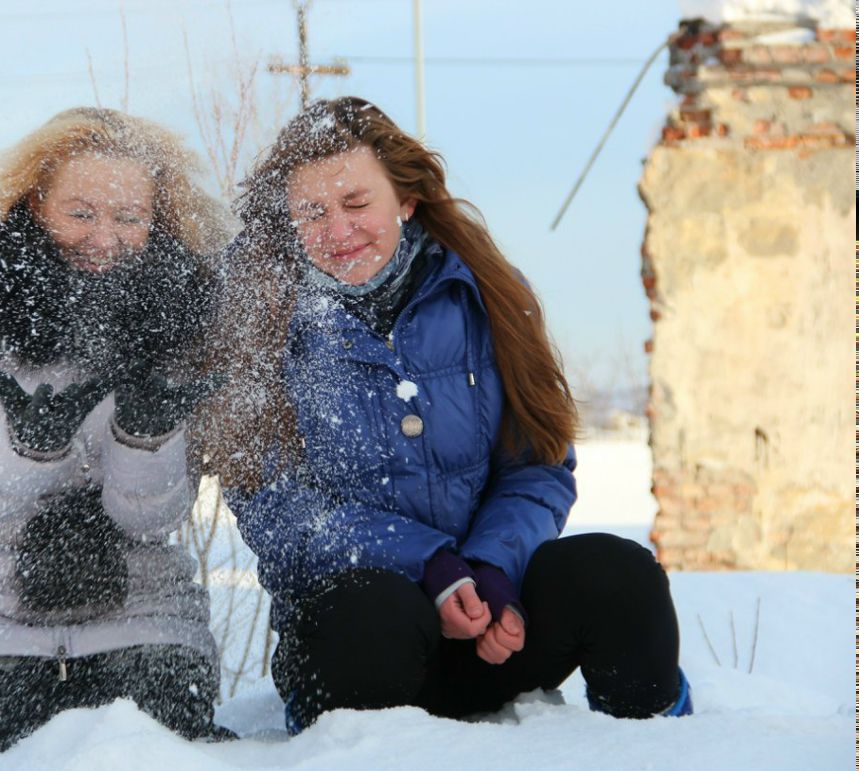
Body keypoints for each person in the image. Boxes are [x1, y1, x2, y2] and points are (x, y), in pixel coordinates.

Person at [202, 97, 691, 734]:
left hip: (495, 623)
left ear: (406, 200)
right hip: (358, 648)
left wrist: (493, 567)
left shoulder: (485, 294)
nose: (337, 230)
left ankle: (658, 767)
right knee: (371, 612)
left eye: (356, 204)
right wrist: (431, 565)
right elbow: (279, 511)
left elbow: (538, 466)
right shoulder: (262, 328)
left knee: (618, 576)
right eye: (312, 212)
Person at [0, 107, 233, 764]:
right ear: (34, 204)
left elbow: (152, 516)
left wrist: (144, 437)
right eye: (81, 212)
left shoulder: (182, 316)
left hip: (143, 620)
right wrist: (27, 448)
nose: (104, 237)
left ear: (154, 221)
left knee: (155, 763)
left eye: (128, 217)